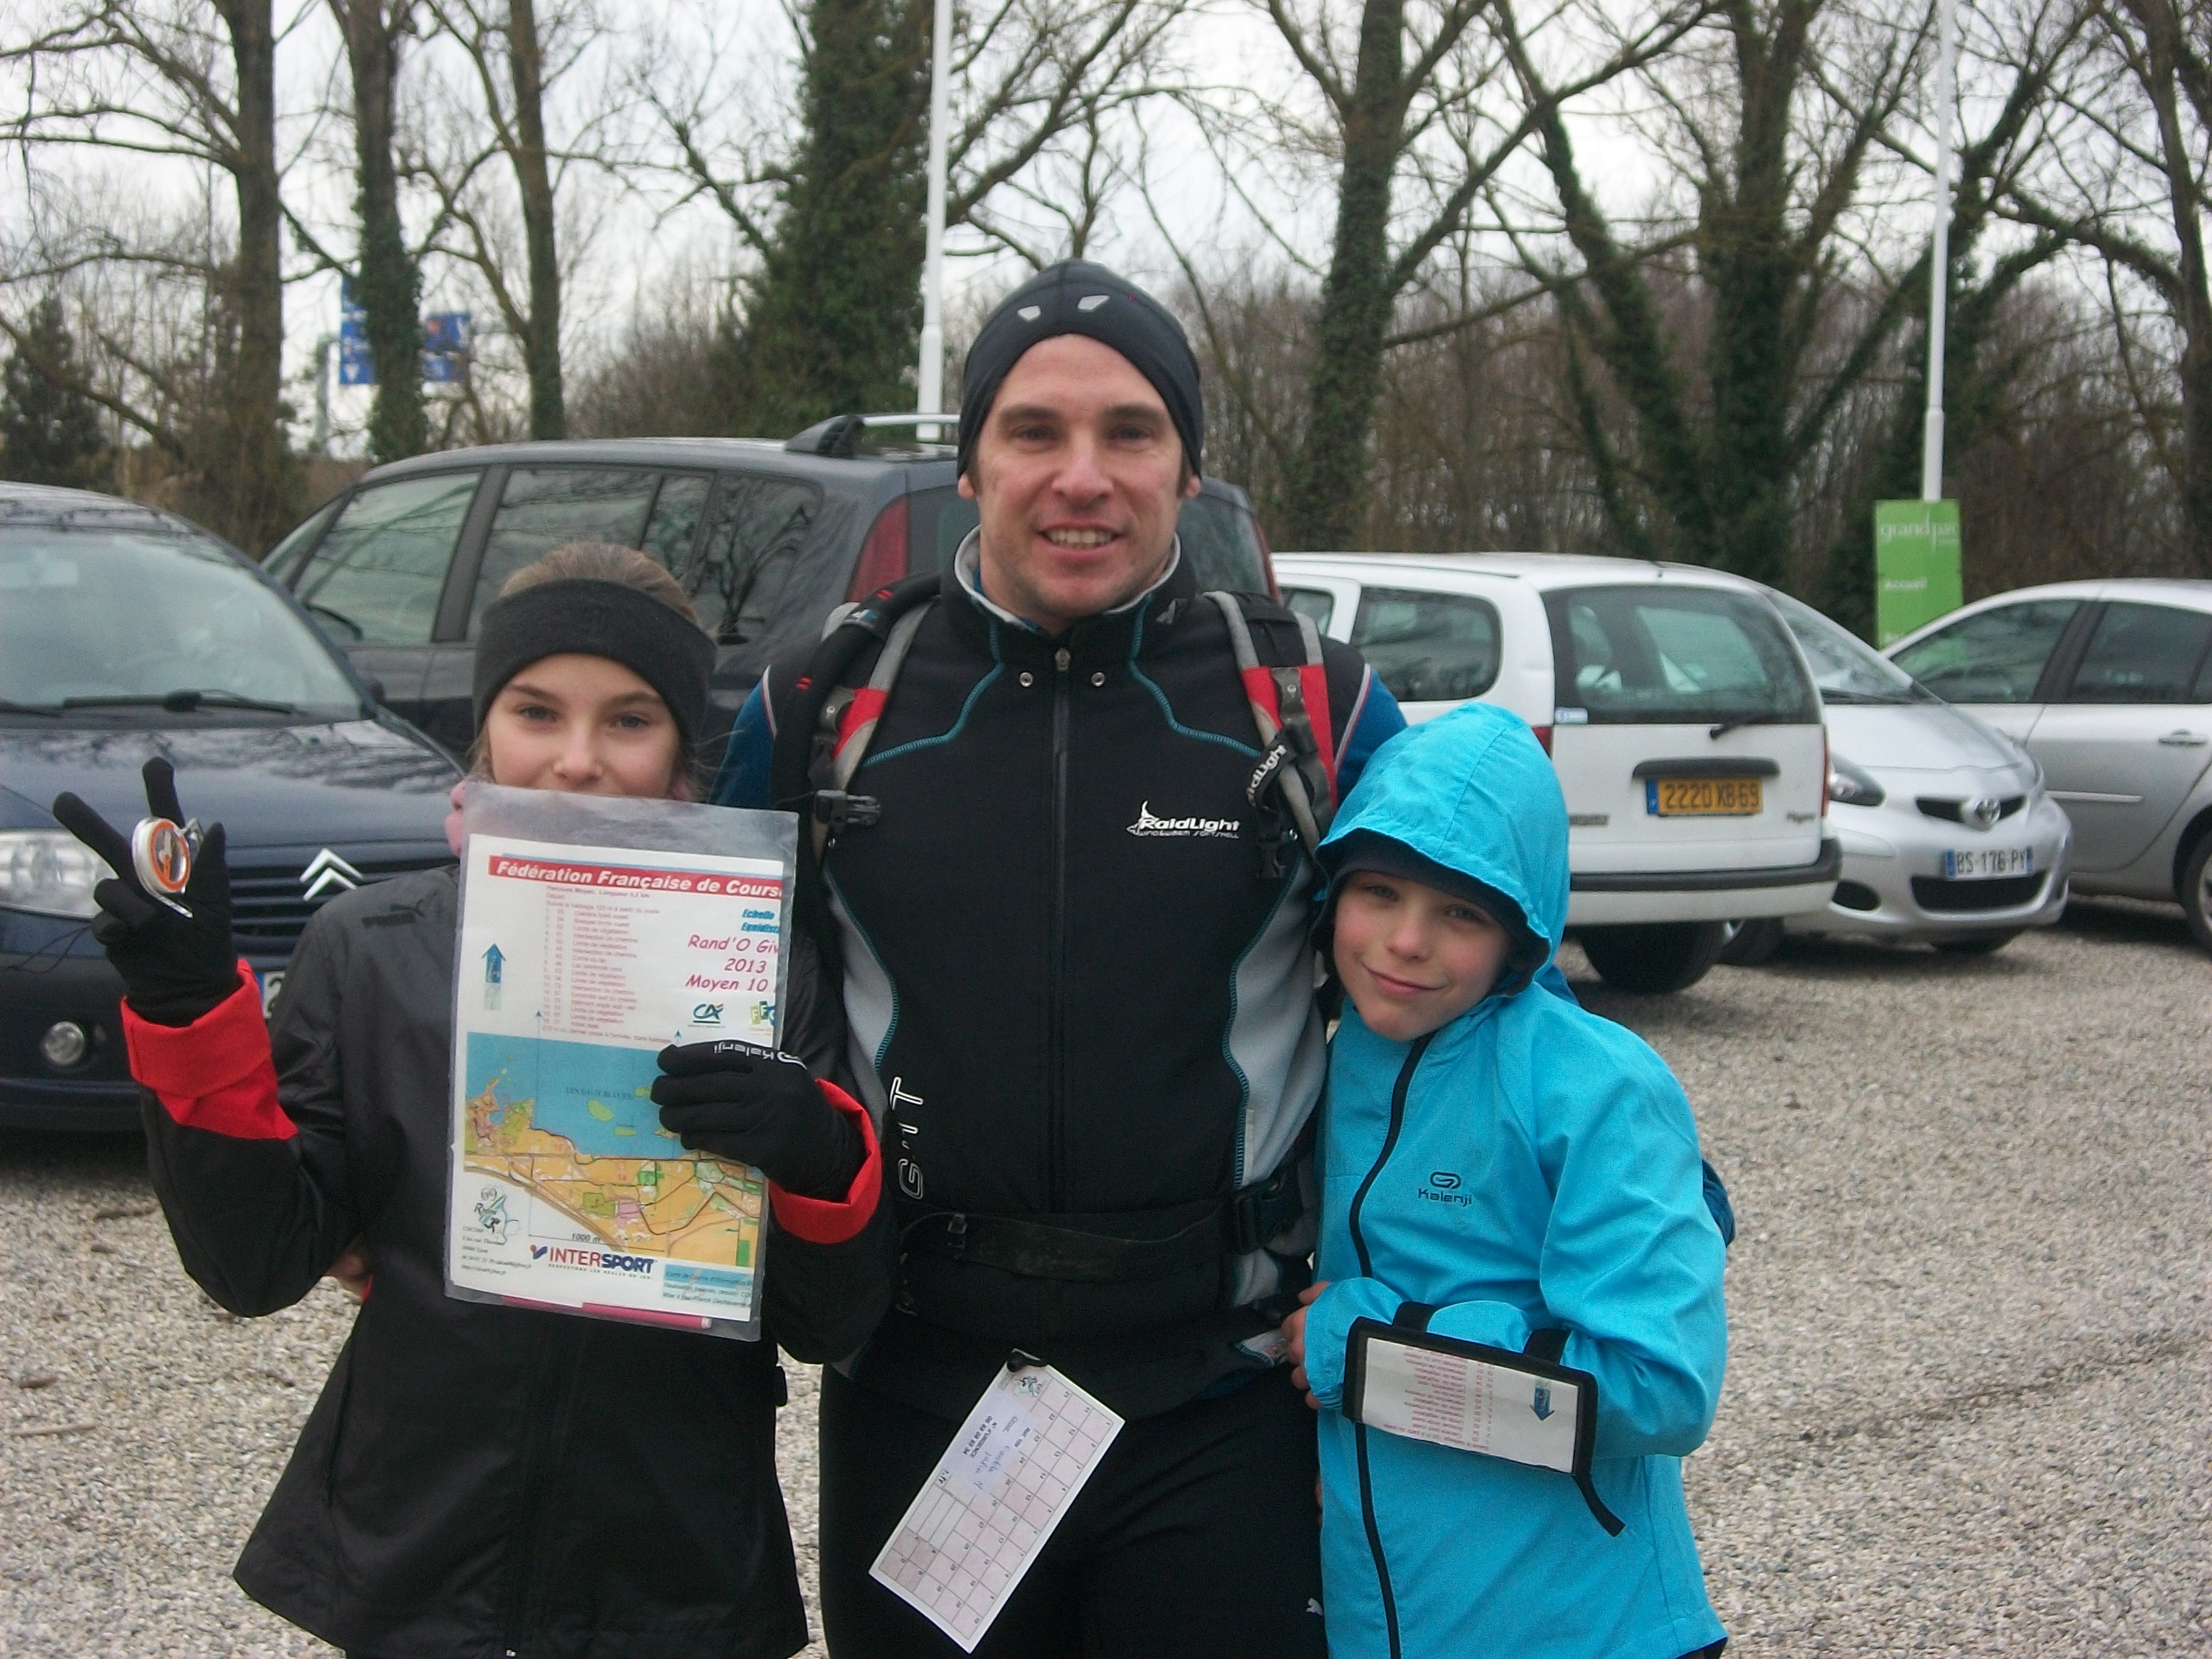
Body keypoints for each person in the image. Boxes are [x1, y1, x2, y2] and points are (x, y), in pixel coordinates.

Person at [710, 260, 1407, 1656]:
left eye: (1128, 433)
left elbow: (1480, 1011)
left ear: (1187, 473)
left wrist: (1505, 1234)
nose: (1080, 476)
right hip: (921, 1391)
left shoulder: (1313, 706)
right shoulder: (825, 700)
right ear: (969, 465)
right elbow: (679, 997)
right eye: (1033, 431)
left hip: (1221, 1401)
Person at [52, 542, 891, 1659]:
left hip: (672, 1568)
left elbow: (830, 1322)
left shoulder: (765, 967)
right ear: (483, 731)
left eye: (629, 721)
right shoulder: (370, 949)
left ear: (679, 748)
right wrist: (191, 1014)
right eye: (537, 712)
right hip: (414, 1555)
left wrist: (817, 1154)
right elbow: (254, 1263)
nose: (576, 762)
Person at [1279, 702, 1730, 1659]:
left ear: (1522, 935)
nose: (1406, 941)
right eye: (1379, 892)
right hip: (1384, 1623)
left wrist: (1367, 1354)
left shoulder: (1598, 1087)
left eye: (1461, 913)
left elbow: (1660, 1388)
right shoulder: (1340, 1053)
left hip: (1582, 1629)